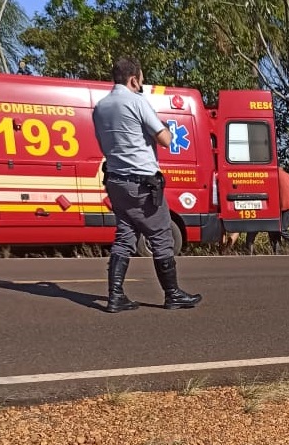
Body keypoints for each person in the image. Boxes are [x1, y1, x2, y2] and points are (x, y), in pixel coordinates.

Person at [92, 56, 201, 312]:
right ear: (133, 79)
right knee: (162, 234)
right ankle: (172, 294)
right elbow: (164, 139)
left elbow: (103, 143)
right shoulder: (137, 101)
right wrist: (164, 128)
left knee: (125, 234)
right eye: (141, 78)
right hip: (142, 182)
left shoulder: (100, 107)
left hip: (116, 181)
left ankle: (115, 296)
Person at [245, 167, 289, 255]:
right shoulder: (287, 175)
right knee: (277, 229)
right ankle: (278, 250)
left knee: (279, 229)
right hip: (287, 207)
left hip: (279, 207)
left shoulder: (270, 176)